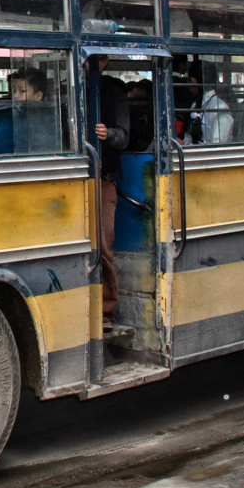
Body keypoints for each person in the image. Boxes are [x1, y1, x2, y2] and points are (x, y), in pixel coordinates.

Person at [92, 57, 130, 334]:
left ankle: (107, 310)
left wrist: (108, 134)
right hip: (74, 180)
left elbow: (123, 136)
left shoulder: (112, 91)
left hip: (103, 179)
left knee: (103, 247)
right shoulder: (67, 85)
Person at [125, 79, 155, 154]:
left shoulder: (153, 122)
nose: (136, 103)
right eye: (131, 100)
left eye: (141, 99)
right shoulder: (121, 117)